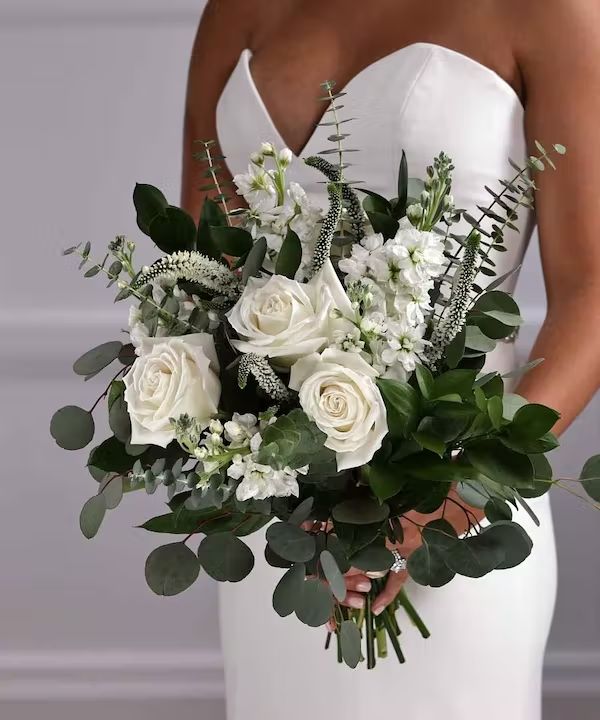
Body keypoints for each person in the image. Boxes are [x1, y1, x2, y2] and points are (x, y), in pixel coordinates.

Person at [181, 2, 600, 717]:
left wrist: (453, 497)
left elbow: (593, 291)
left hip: (457, 507)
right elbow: (202, 276)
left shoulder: (554, 10)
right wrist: (263, 470)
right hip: (283, 524)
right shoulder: (236, 10)